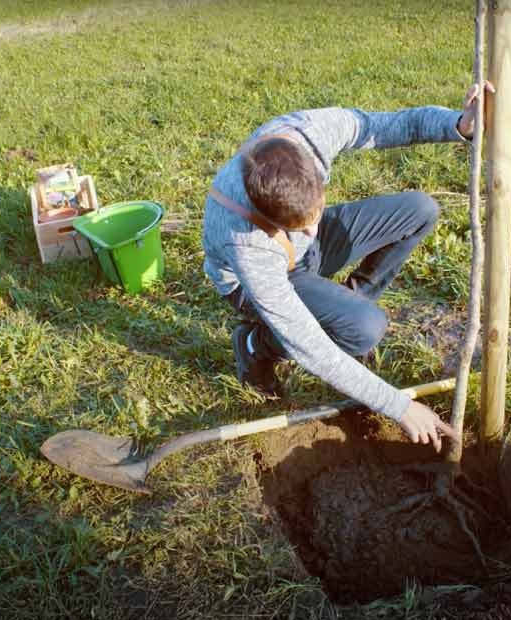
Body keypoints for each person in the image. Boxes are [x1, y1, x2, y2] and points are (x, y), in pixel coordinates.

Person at [202, 83, 494, 452]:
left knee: (420, 210)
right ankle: (254, 344)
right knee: (365, 328)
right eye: (297, 226)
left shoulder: (309, 132)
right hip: (255, 283)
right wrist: (398, 406)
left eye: (315, 212)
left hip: (306, 254)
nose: (310, 228)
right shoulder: (245, 241)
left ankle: (344, 307)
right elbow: (305, 342)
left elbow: (390, 125)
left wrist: (461, 123)